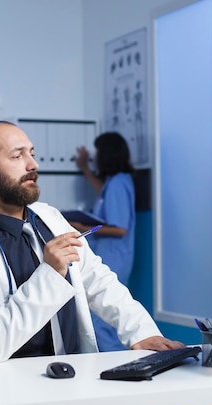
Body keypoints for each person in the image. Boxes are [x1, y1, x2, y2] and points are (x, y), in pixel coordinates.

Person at [0, 120, 185, 363]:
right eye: (17, 156)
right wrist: (50, 272)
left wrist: (141, 332)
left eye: (32, 153)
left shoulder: (51, 219)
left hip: (68, 373)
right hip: (4, 386)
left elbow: (98, 280)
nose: (33, 164)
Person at [72, 132, 135, 351]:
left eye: (97, 153)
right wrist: (86, 170)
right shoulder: (116, 183)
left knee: (101, 322)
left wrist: (82, 227)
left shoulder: (117, 184)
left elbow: (119, 228)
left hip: (113, 259)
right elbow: (104, 195)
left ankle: (118, 369)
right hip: (113, 258)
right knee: (103, 320)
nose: (95, 157)